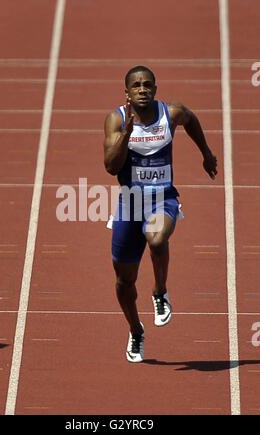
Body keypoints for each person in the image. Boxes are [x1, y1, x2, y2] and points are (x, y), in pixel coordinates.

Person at [103, 65, 217, 363]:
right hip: (129, 203)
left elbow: (191, 120)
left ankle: (159, 291)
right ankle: (136, 329)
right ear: (126, 92)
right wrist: (127, 132)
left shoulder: (172, 113)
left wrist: (206, 153)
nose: (142, 89)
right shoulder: (116, 119)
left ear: (155, 88)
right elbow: (112, 167)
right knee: (124, 282)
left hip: (162, 198)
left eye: (148, 85)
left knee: (156, 239)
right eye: (136, 85)